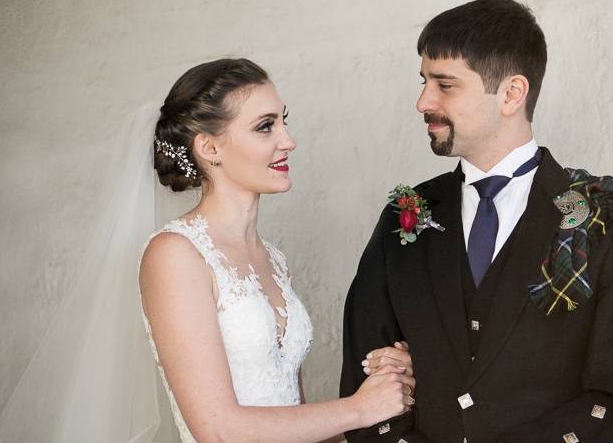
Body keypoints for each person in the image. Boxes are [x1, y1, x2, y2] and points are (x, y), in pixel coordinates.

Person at [341, 0, 613, 443]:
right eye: (424, 82)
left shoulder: (611, 219)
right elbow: (364, 382)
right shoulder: (404, 217)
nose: (423, 101)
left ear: (511, 93)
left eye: (445, 84)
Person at [140, 58, 417, 442]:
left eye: (283, 121)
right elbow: (218, 430)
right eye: (265, 126)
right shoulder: (175, 254)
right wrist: (360, 408)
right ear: (209, 147)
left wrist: (391, 382)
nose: (288, 141)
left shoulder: (272, 258)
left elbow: (294, 419)